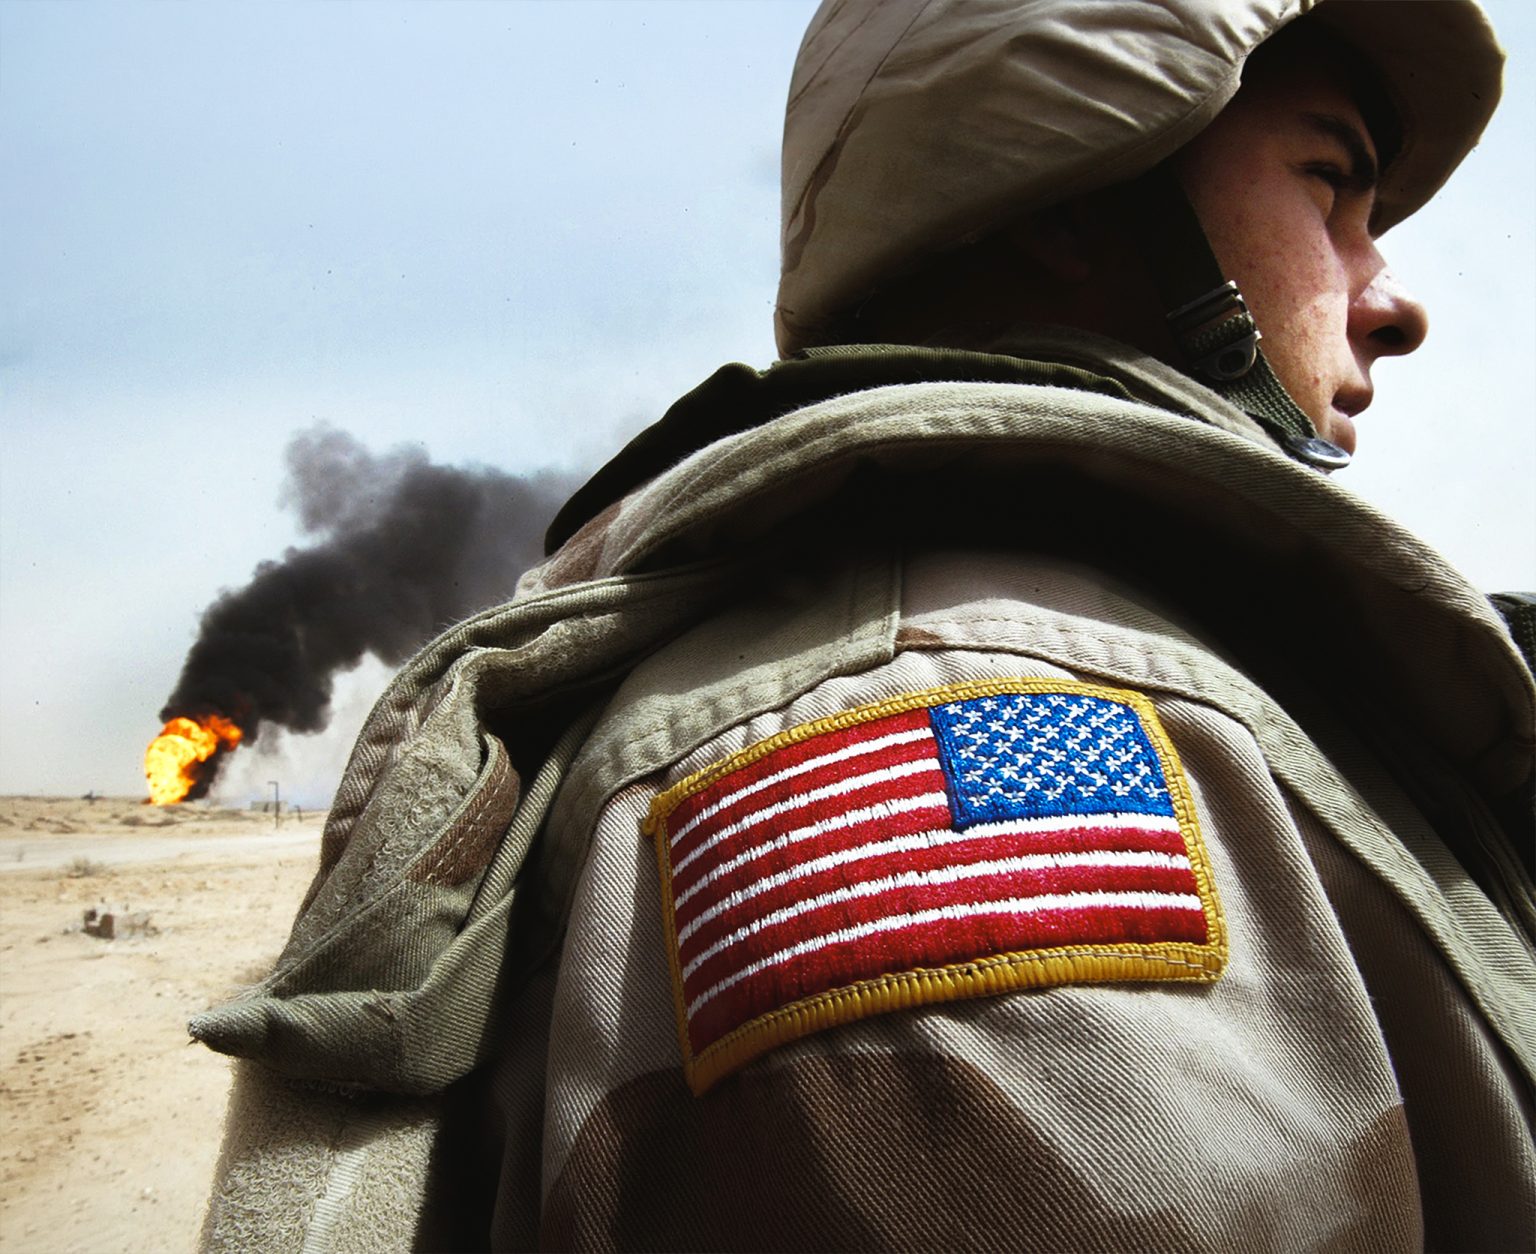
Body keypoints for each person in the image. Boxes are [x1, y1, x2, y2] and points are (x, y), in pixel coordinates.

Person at [195, 1, 1535, 1249]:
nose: (1391, 296)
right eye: (1330, 186)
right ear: (1075, 196)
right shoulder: (944, 709)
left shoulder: (1147, 652)